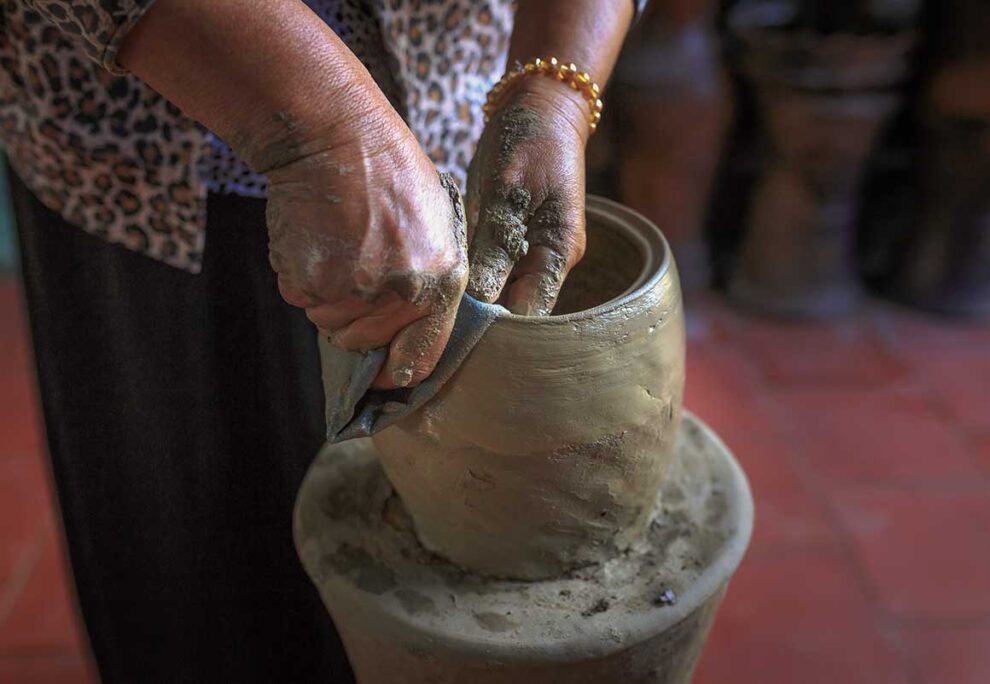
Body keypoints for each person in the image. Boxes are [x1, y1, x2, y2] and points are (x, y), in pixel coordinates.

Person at [1, 1, 640, 681]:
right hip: (141, 148)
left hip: (451, 104)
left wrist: (554, 92)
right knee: (186, 564)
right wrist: (328, 130)